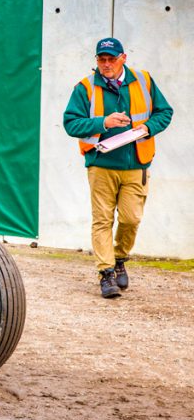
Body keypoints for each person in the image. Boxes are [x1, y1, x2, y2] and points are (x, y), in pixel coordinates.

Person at [63, 37, 172, 298]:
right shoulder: (85, 88)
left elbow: (164, 112)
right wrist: (104, 123)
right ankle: (106, 273)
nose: (107, 64)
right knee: (102, 220)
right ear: (97, 61)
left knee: (131, 219)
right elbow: (70, 124)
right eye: (102, 59)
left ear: (123, 58)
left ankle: (120, 257)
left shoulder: (144, 80)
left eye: (112, 59)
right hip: (101, 164)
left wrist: (148, 128)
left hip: (137, 163)